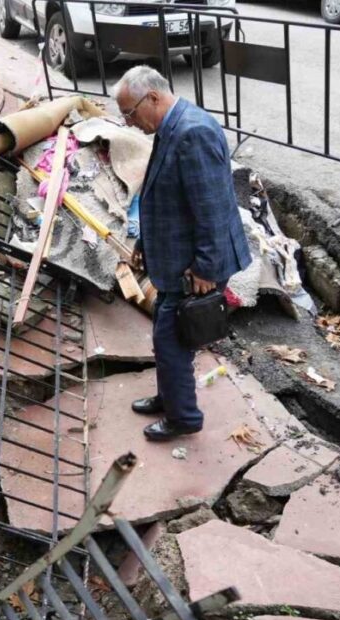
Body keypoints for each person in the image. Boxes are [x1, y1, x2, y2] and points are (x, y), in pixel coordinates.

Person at [113, 65, 251, 442]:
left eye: (129, 112)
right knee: (166, 331)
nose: (128, 122)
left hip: (195, 263)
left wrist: (206, 267)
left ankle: (183, 417)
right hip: (178, 254)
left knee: (170, 337)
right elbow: (161, 191)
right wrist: (145, 242)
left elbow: (212, 207)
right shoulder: (171, 126)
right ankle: (170, 397)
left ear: (153, 97)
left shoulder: (192, 133)